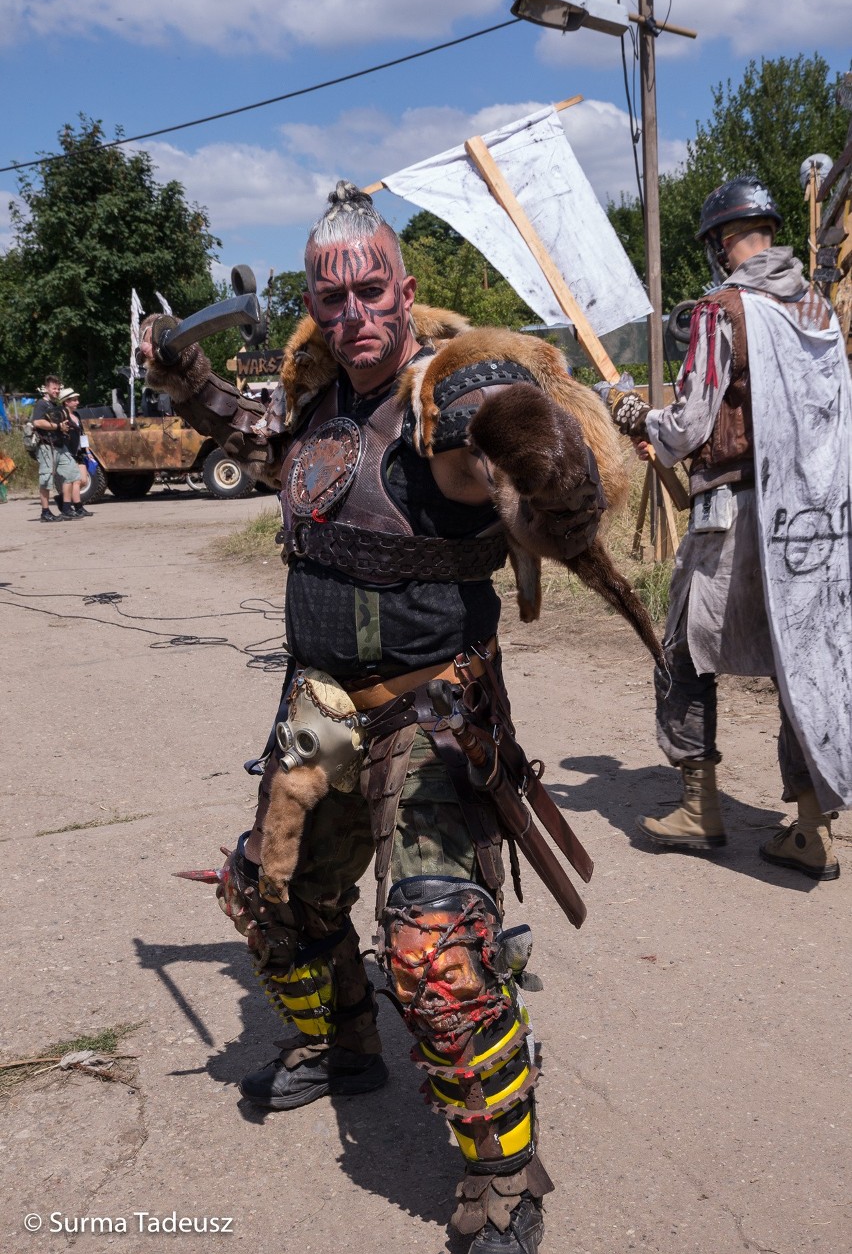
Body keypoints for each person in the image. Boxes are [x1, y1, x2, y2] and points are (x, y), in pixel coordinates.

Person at [139, 181, 646, 1254]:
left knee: (430, 941)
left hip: (432, 711)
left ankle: (505, 1177)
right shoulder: (316, 404)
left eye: (373, 289)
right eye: (332, 296)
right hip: (317, 706)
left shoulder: (447, 399)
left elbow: (514, 446)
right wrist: (182, 371)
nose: (354, 313)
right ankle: (345, 1043)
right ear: (313, 306)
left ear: (405, 292)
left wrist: (530, 451)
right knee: (273, 897)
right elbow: (250, 432)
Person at [609, 174, 851, 881]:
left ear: (720, 242)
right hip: (811, 519)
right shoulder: (819, 313)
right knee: (801, 660)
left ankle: (699, 808)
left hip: (732, 516)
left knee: (681, 651)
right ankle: (812, 828)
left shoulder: (724, 311)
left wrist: (632, 415)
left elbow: (685, 427)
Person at [32, 380, 87, 522]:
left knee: (73, 474)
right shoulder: (41, 404)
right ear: (47, 389)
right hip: (46, 446)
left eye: (58, 389)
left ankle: (67, 508)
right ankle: (45, 512)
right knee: (46, 479)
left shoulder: (54, 405)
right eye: (53, 388)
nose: (56, 391)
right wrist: (58, 426)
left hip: (59, 446)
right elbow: (37, 422)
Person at [60, 389, 94, 516]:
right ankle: (76, 507)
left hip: (79, 452)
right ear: (66, 402)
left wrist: (87, 450)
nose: (77, 402)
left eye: (77, 400)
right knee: (75, 481)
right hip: (68, 452)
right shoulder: (63, 416)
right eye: (74, 400)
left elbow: (82, 434)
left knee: (83, 480)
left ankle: (68, 500)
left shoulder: (77, 415)